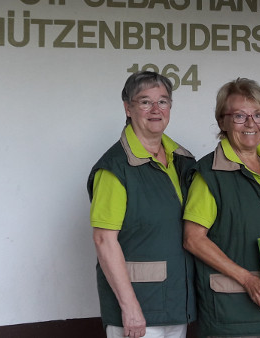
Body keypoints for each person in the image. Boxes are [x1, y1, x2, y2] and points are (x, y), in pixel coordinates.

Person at [183, 78, 260, 337]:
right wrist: (247, 279)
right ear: (222, 122)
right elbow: (193, 240)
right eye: (239, 116)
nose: (250, 123)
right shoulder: (209, 174)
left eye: (257, 114)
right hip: (232, 310)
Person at [88, 71, 197, 338]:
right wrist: (130, 307)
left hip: (174, 304)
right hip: (138, 311)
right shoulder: (115, 168)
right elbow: (104, 241)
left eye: (163, 101)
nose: (155, 109)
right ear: (128, 108)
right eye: (145, 101)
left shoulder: (183, 160)